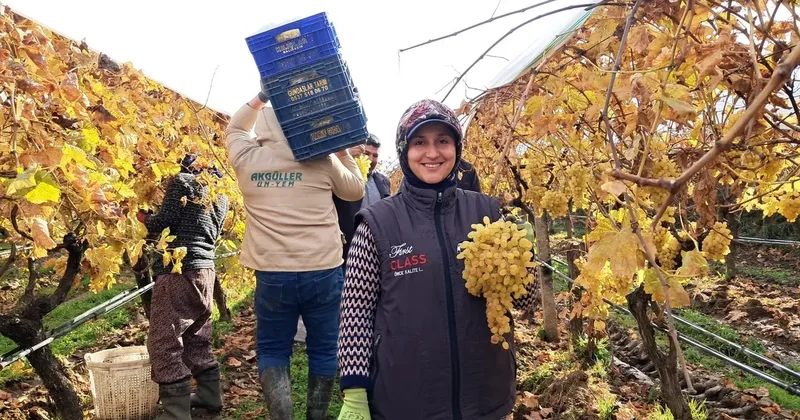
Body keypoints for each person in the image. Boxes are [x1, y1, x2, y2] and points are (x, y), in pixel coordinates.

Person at [336, 99, 535, 420]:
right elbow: (355, 313)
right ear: (404, 152)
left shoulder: (488, 213)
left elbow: (526, 301)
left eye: (442, 141)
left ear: (456, 149)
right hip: (406, 398)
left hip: (485, 394)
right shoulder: (378, 223)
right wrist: (355, 388)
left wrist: (525, 253)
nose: (432, 153)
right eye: (419, 143)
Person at [224, 89, 365, 420]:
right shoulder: (323, 160)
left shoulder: (248, 158)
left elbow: (235, 129)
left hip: (272, 273)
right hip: (324, 269)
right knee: (324, 348)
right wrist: (343, 152)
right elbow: (355, 190)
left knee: (273, 348)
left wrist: (261, 97)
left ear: (268, 126)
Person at [138, 154, 229, 420]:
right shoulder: (220, 194)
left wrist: (140, 215)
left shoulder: (183, 181)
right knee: (196, 334)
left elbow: (161, 222)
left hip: (178, 269)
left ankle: (176, 413)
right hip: (205, 270)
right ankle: (210, 395)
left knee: (164, 340)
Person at [333, 133, 391, 261]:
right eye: (366, 154)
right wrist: (346, 156)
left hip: (376, 250)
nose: (371, 159)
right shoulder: (343, 176)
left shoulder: (383, 181)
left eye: (375, 155)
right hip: (347, 250)